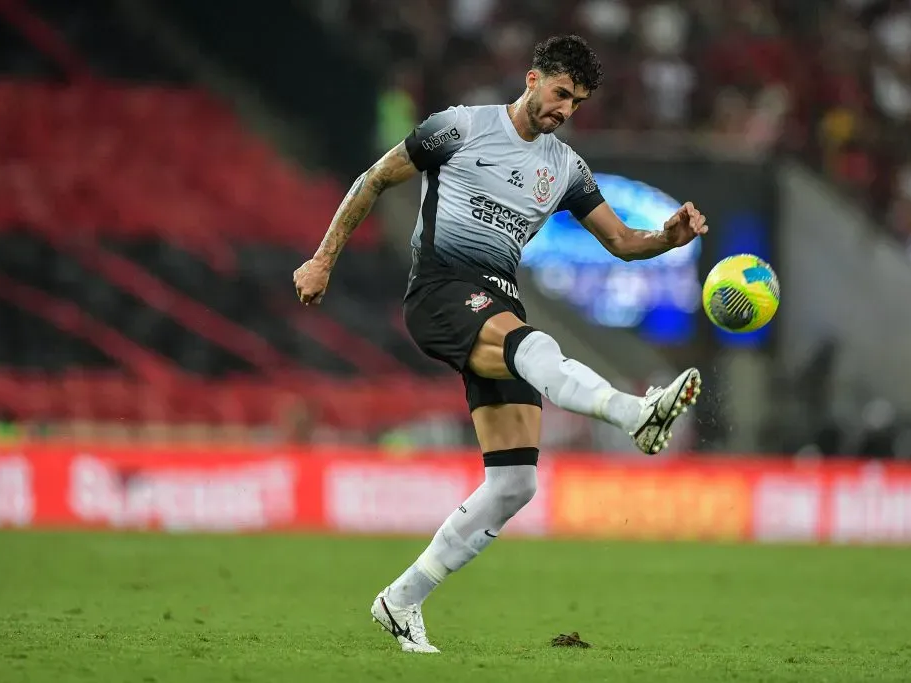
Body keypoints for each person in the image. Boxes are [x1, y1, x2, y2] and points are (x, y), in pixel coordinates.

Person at [293, 35, 708, 653]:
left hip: (498, 303)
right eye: (561, 93)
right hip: (441, 291)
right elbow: (374, 178)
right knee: (533, 347)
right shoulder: (459, 128)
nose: (565, 109)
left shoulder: (565, 168)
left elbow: (621, 242)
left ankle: (400, 601)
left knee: (515, 483)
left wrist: (667, 239)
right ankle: (634, 413)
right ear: (532, 78)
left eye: (577, 102)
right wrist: (323, 259)